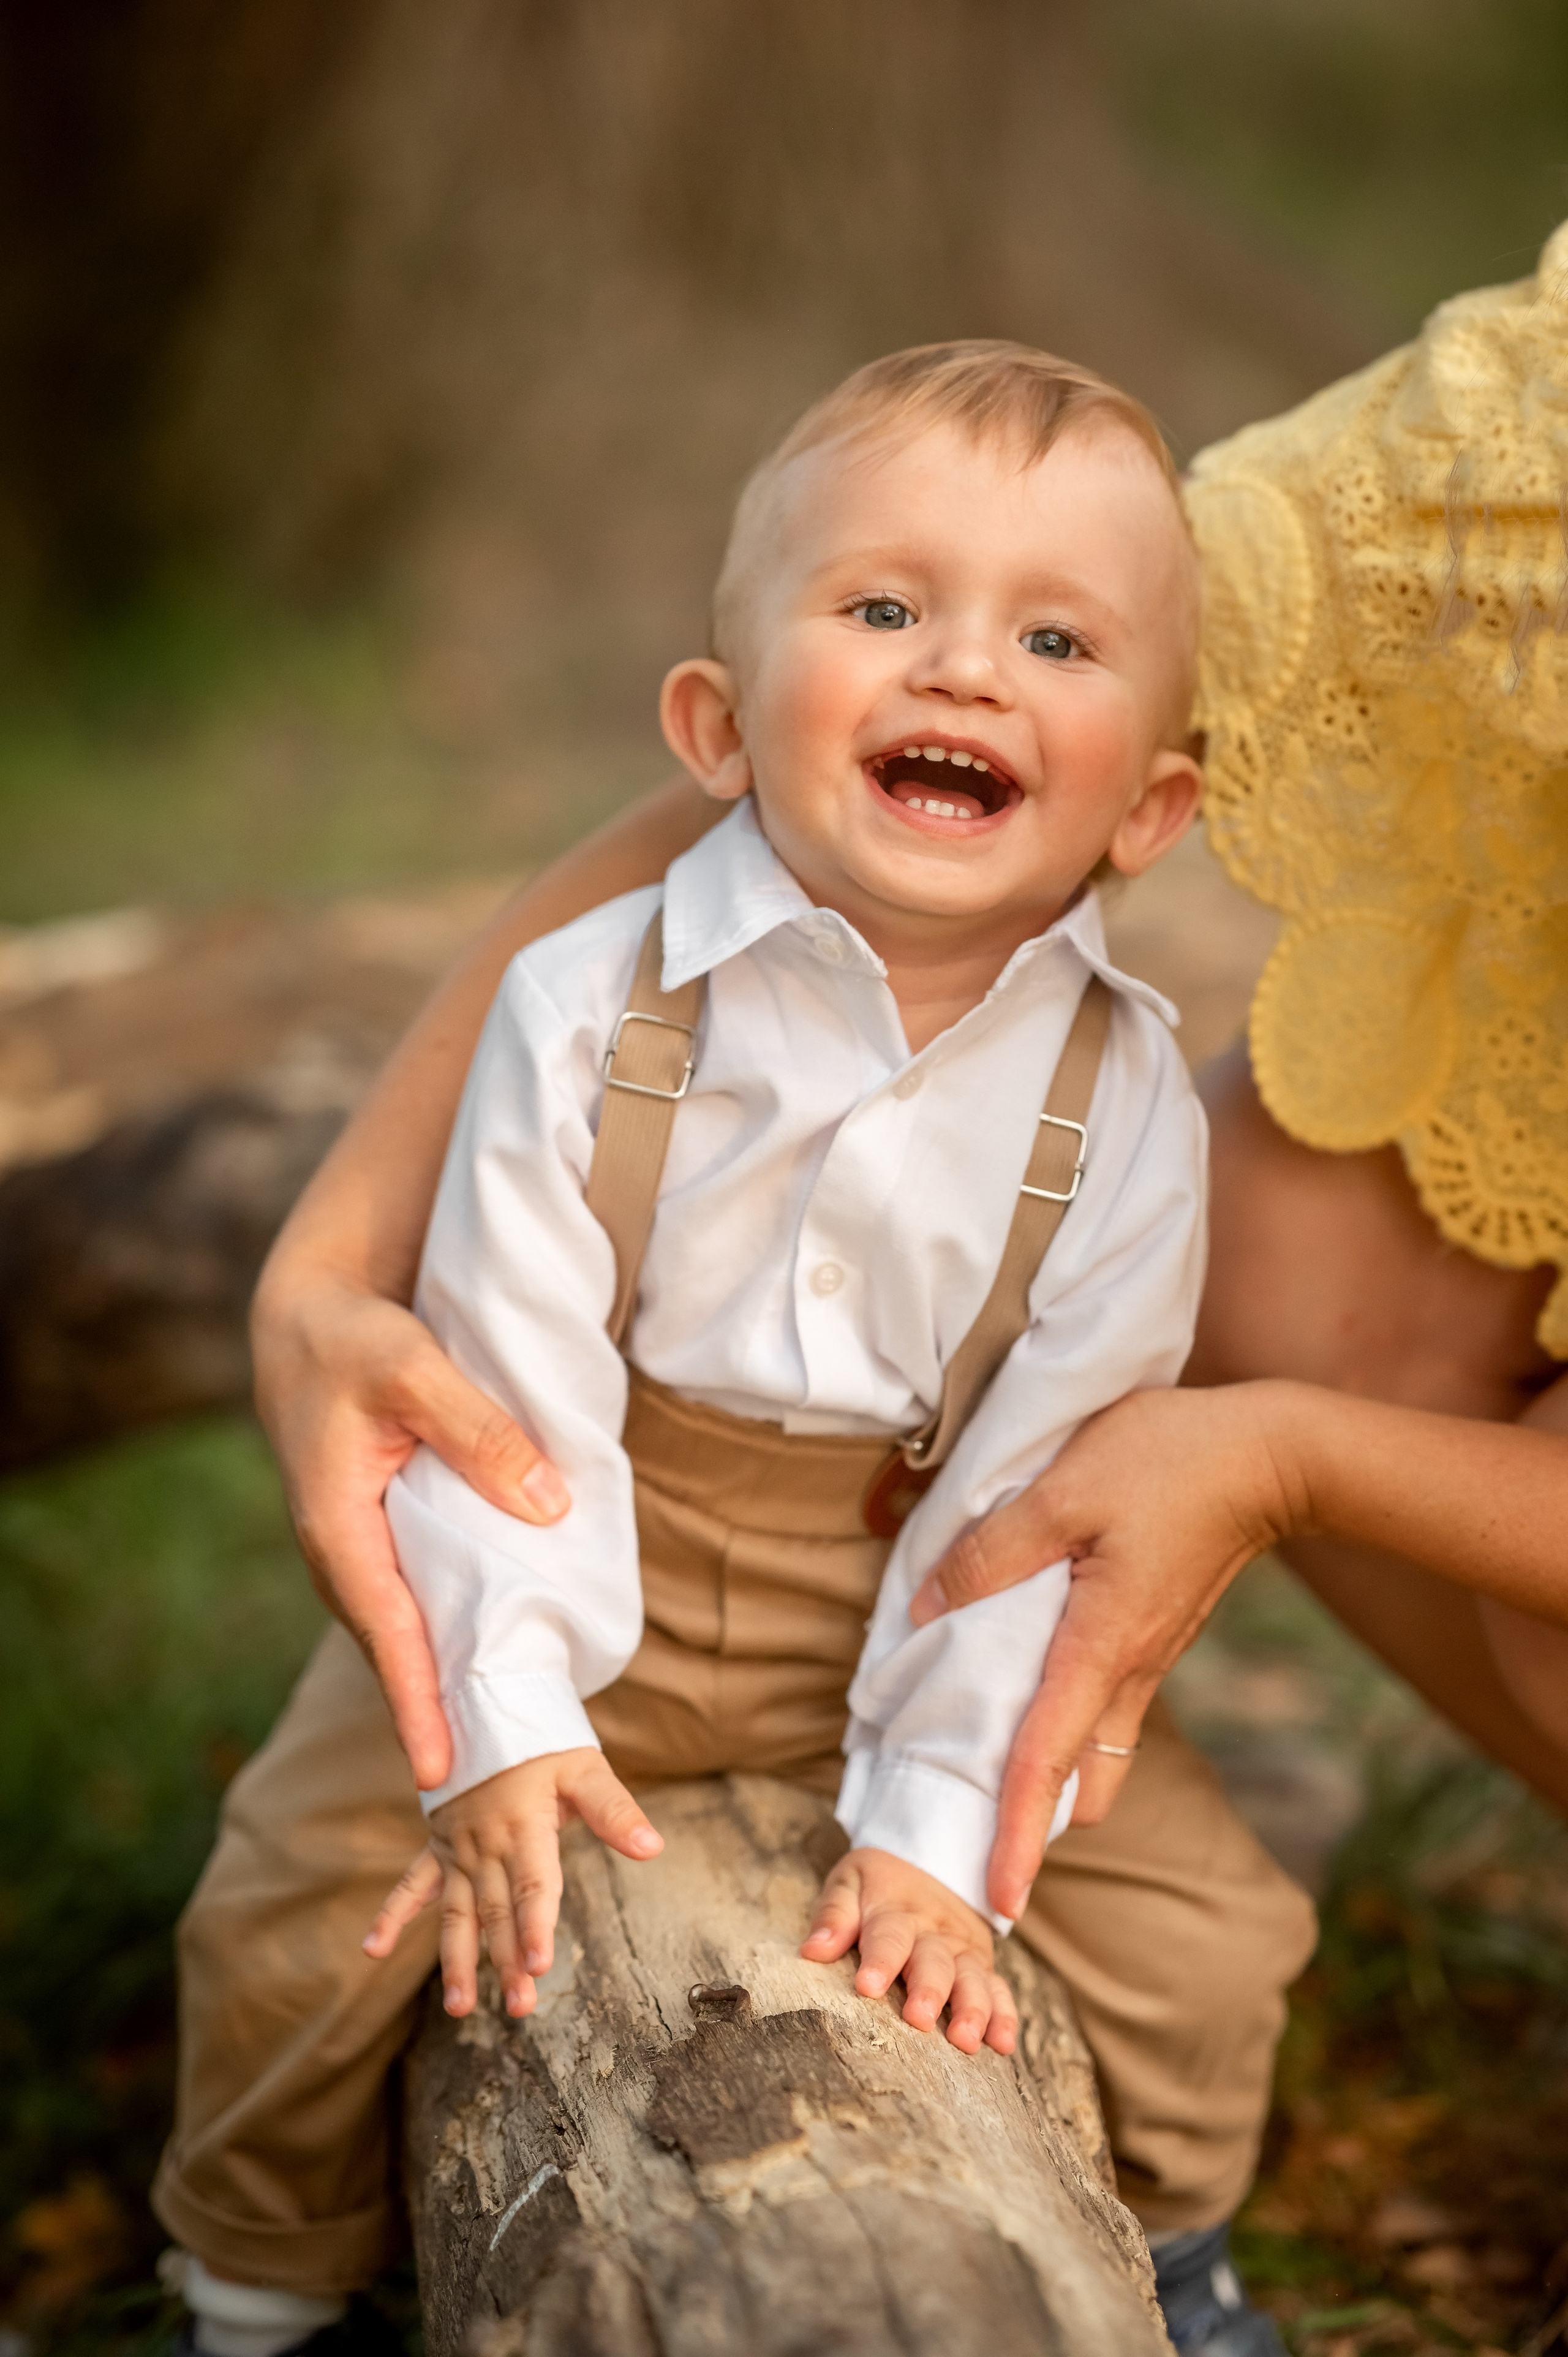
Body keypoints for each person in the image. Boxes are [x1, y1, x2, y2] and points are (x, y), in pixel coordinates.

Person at [155, 346, 1314, 2357]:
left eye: (1055, 636)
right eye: (883, 610)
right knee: (299, 1908)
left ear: (1154, 806)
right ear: (712, 722)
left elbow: (1041, 1483)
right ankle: (254, 2296)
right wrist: (508, 1718)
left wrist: (937, 1829)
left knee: (1209, 1931)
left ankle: (1179, 2258)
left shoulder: (1119, 1105)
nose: (961, 669)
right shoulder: (584, 1003)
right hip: (562, 1522)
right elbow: (503, 1385)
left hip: (911, 1575)